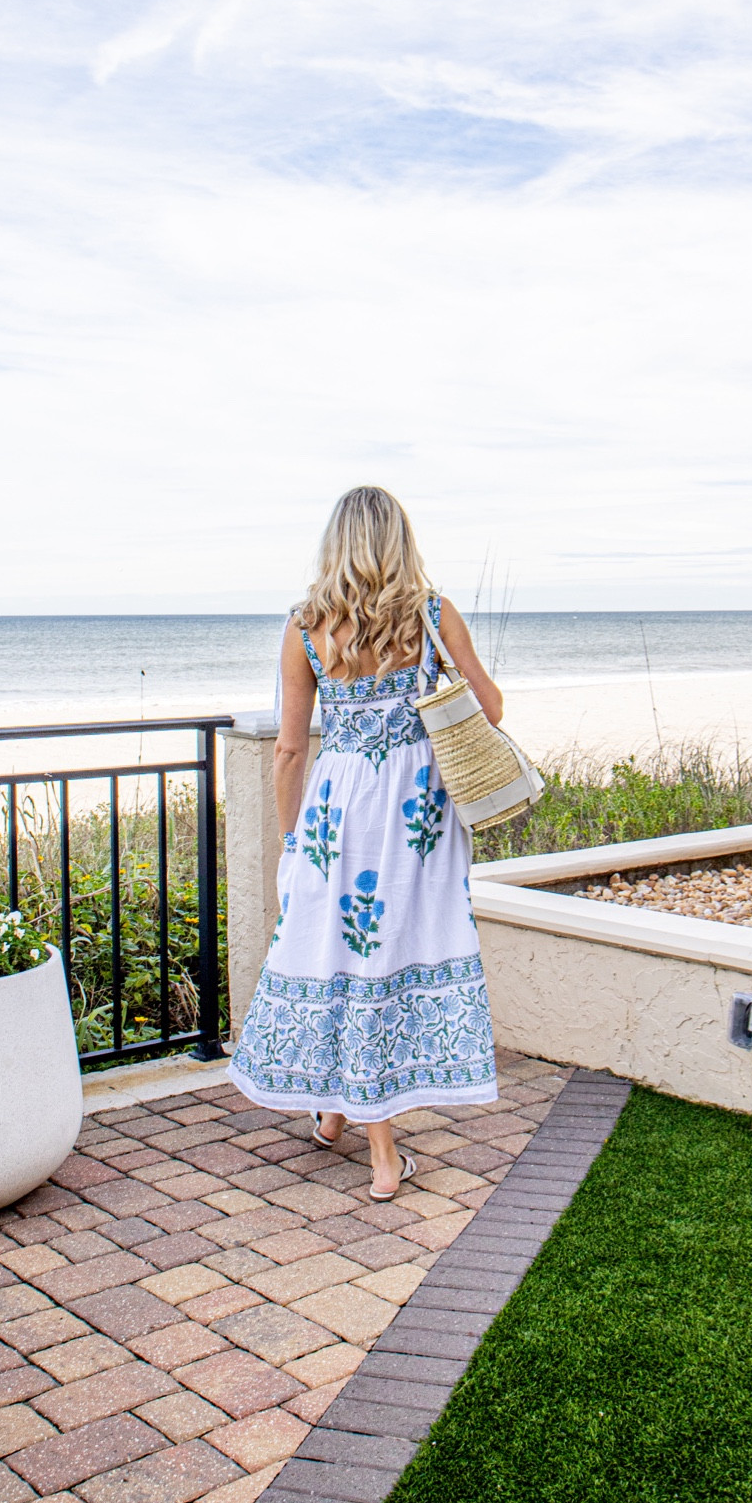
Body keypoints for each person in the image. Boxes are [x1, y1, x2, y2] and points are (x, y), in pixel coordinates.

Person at [228, 486, 502, 1201]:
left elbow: (290, 749)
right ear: (399, 542)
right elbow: (491, 707)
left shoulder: (305, 626)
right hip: (418, 813)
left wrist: (293, 840)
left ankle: (378, 1151)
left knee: (343, 954)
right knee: (389, 956)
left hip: (337, 812)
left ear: (336, 543)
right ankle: (343, 1121)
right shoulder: (433, 616)